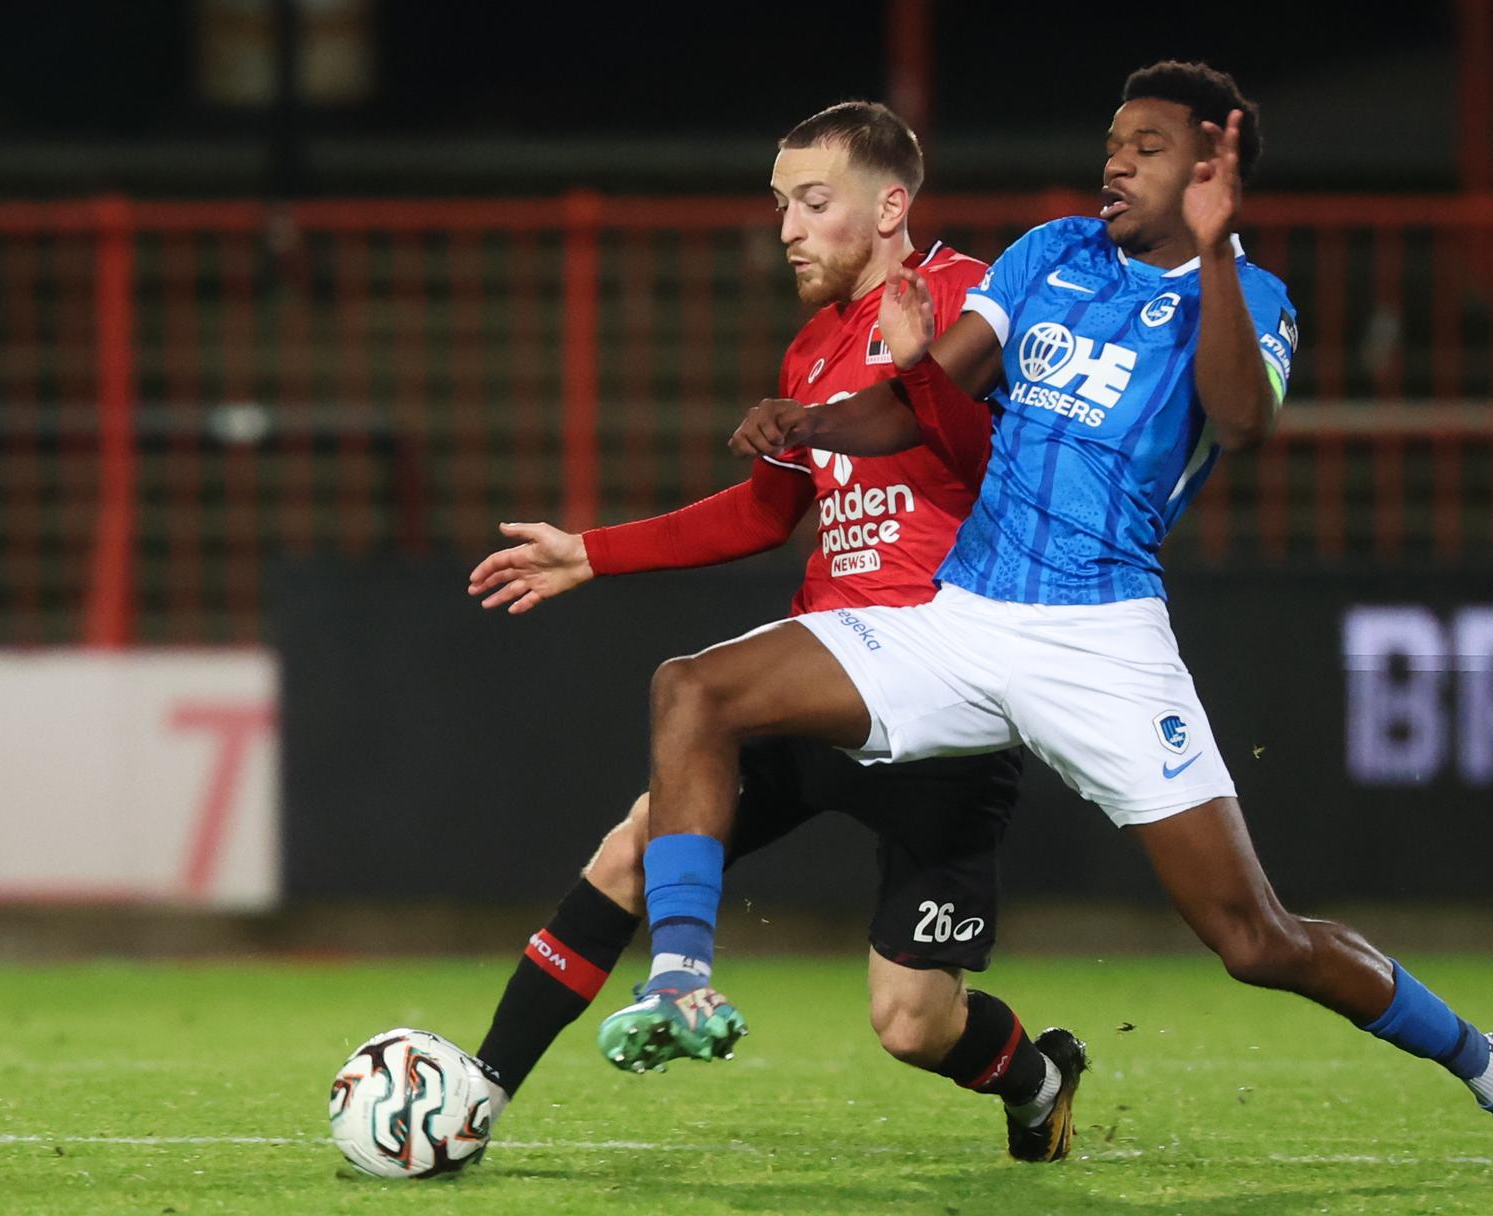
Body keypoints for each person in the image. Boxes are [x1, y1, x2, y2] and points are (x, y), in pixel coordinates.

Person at [618, 63, 1493, 1182]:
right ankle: (681, 978)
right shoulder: (1050, 254)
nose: (1116, 163)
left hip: (1099, 640)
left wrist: (1220, 253)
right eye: (1113, 142)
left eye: (1147, 148)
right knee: (694, 687)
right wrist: (810, 421)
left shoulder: (1251, 297)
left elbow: (1241, 420)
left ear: (1208, 169)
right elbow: (921, 399)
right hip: (963, 617)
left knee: (1256, 939)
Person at [463, 101, 1086, 1163]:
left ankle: (1037, 1079)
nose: (787, 228)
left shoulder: (973, 301)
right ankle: (475, 1094)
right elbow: (763, 513)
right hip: (828, 673)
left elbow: (1004, 466)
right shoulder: (812, 348)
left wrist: (910, 375)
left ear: (889, 206)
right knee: (634, 844)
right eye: (781, 205)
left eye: (812, 202)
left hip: (947, 694)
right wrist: (591, 552)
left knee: (913, 1023)